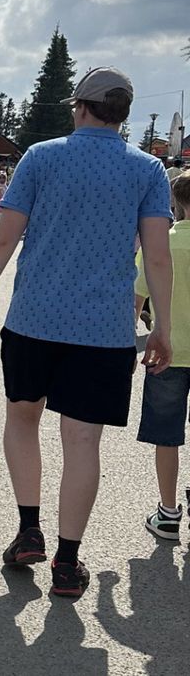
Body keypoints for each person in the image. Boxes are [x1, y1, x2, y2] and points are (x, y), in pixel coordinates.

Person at [0, 66, 174, 599]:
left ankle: (29, 529)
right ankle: (68, 563)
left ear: (79, 107)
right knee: (82, 442)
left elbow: (5, 239)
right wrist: (162, 328)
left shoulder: (41, 157)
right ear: (123, 113)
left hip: (34, 321)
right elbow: (158, 258)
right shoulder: (147, 171)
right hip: (104, 332)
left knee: (22, 417)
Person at [134, 174, 190, 541]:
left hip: (166, 350)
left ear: (177, 202)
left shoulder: (161, 244)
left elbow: (135, 301)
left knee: (167, 436)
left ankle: (168, 514)